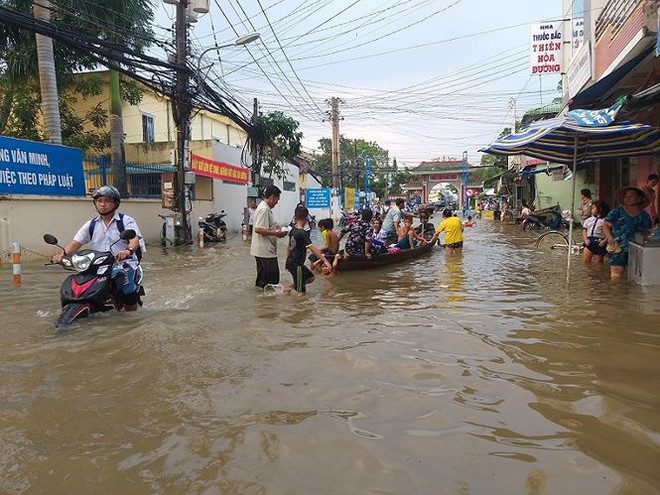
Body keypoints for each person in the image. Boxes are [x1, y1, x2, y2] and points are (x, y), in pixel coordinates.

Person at [50, 185, 145, 311]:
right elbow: (75, 243)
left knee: (123, 279)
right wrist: (61, 256)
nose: (102, 204)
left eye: (107, 201)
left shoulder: (126, 221)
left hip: (124, 262)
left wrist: (127, 251)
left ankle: (132, 315)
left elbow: (134, 240)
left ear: (116, 203)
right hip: (98, 264)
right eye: (99, 201)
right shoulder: (91, 224)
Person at [602, 187, 652, 279]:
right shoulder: (617, 212)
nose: (628, 198)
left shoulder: (644, 216)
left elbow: (648, 232)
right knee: (616, 275)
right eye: (626, 196)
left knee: (636, 275)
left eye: (631, 196)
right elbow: (605, 225)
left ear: (639, 199)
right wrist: (610, 238)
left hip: (637, 249)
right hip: (618, 247)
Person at [284, 205, 332, 296]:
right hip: (296, 264)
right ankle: (298, 308)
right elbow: (313, 248)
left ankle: (288, 289)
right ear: (307, 218)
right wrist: (325, 261)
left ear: (295, 217)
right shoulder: (302, 233)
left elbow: (288, 247)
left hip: (293, 263)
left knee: (310, 278)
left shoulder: (292, 230)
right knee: (301, 293)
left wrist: (287, 261)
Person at [250, 185, 288, 288]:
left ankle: (262, 303)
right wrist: (276, 233)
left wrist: (276, 228)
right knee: (273, 281)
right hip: (265, 252)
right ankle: (268, 303)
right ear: (272, 197)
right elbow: (258, 229)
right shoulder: (264, 209)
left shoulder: (263, 208)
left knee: (263, 281)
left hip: (261, 250)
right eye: (277, 199)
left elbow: (264, 226)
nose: (277, 202)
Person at [582, 200, 610, 264]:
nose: (591, 210)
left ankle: (598, 273)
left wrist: (604, 241)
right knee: (585, 262)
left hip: (600, 242)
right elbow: (584, 230)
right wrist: (585, 240)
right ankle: (587, 273)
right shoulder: (589, 220)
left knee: (598, 263)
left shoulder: (605, 220)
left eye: (593, 208)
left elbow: (609, 232)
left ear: (600, 209)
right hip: (589, 241)